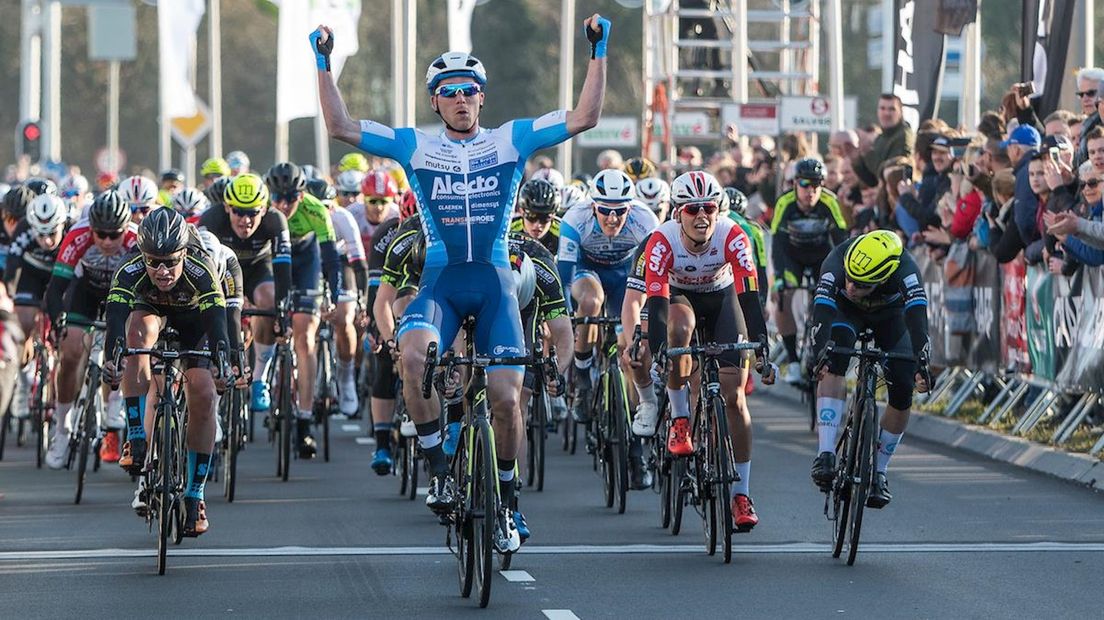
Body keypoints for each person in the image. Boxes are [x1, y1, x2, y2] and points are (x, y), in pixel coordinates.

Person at [313, 12, 609, 552]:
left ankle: (508, 498)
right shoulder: (413, 146)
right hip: (441, 282)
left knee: (505, 397)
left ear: (481, 97)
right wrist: (324, 63)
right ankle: (440, 468)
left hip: (495, 283)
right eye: (449, 92)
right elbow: (341, 127)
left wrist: (598, 50)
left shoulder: (512, 139)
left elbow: (586, 115)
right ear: (435, 101)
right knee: (411, 357)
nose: (460, 99)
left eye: (469, 91)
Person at [638, 170, 776, 530]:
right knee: (679, 331)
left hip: (723, 297)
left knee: (735, 399)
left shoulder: (734, 235)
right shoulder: (661, 241)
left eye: (709, 208)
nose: (701, 216)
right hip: (680, 296)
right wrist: (657, 352)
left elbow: (749, 296)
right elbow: (655, 306)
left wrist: (761, 346)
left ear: (719, 210)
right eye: (692, 209)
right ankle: (681, 419)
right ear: (677, 213)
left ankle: (741, 496)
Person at [103, 209, 234, 536]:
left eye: (171, 262)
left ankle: (195, 494)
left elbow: (217, 323)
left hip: (195, 321)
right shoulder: (130, 266)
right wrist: (112, 357)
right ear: (143, 255)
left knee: (203, 393)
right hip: (152, 313)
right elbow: (116, 316)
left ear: (184, 254)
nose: (162, 270)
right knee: (136, 336)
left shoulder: (200, 267)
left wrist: (224, 360)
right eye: (154, 262)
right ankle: (135, 435)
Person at [808, 230, 931, 509]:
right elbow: (823, 313)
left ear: (884, 276)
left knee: (902, 388)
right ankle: (825, 452)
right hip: (844, 312)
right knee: (833, 361)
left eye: (861, 284)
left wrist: (921, 361)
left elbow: (917, 319)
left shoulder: (906, 270)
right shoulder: (837, 261)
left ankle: (880, 471)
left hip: (892, 315)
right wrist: (819, 353)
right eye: (849, 279)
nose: (851, 286)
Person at [43, 190, 135, 467]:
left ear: (125, 230)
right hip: (85, 292)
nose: (107, 241)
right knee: (70, 352)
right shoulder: (78, 235)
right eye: (101, 234)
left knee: (128, 340)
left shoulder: (135, 241)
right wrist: (58, 319)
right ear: (91, 228)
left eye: (114, 234)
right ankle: (62, 428)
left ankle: (113, 410)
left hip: (122, 292)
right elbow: (55, 288)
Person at [558, 169, 658, 424]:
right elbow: (565, 275)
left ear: (630, 208)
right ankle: (582, 381)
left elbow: (655, 275)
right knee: (591, 302)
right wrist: (568, 313)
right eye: (604, 210)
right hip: (587, 270)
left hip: (625, 275)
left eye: (620, 210)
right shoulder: (575, 218)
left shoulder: (645, 220)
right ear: (593, 207)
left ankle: (635, 423)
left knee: (629, 348)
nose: (612, 218)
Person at [265, 162, 345, 458]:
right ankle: (270, 378)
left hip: (307, 261)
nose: (284, 205)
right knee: (268, 317)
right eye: (278, 198)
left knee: (305, 338)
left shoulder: (315, 210)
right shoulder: (263, 209)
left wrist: (332, 296)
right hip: (274, 258)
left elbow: (331, 260)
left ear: (302, 194)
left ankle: (304, 418)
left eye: (291, 198)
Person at [197, 173, 292, 418]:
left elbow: (283, 269)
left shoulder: (276, 221)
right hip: (221, 270)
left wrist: (282, 312)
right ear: (227, 207)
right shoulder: (211, 219)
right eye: (239, 211)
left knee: (269, 298)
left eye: (253, 212)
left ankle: (259, 378)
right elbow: (200, 270)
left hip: (258, 269)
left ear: (265, 210)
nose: (246, 220)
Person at [769, 158, 847, 382]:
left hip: (820, 257)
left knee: (825, 299)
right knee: (783, 296)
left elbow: (841, 240)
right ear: (795, 184)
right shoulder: (785, 203)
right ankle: (793, 361)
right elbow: (777, 244)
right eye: (805, 184)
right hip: (792, 256)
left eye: (816, 184)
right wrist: (781, 277)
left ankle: (819, 350)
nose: (811, 191)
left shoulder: (830, 202)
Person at [852, 94, 915, 187]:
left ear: (900, 112)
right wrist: (856, 158)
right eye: (882, 108)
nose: (886, 113)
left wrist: (867, 152)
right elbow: (872, 181)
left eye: (892, 109)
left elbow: (891, 173)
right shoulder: (880, 138)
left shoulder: (904, 137)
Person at [510, 178, 562, 255]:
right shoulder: (509, 228)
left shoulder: (563, 232)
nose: (537, 225)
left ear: (553, 215)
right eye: (531, 216)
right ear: (521, 211)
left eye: (544, 218)